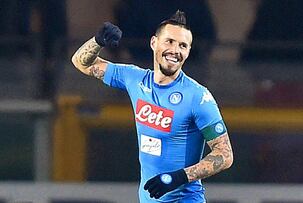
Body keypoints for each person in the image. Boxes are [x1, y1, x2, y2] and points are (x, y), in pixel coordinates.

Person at [71, 10, 233, 203]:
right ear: (153, 42)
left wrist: (179, 177)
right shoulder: (134, 79)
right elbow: (81, 63)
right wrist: (97, 41)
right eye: (169, 41)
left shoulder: (198, 97)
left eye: (183, 45)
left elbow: (225, 154)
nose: (175, 50)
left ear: (188, 51)